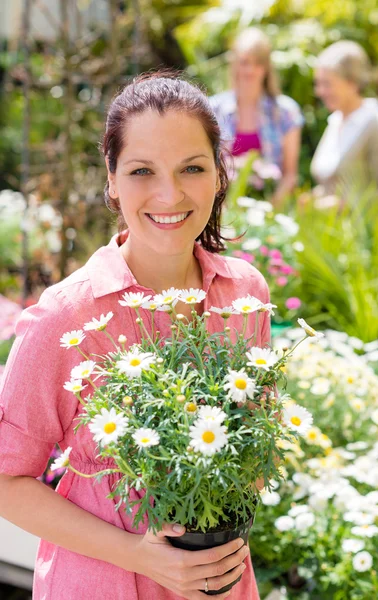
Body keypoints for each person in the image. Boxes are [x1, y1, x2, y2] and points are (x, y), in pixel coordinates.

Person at [0, 73, 271, 600]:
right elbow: (6, 483)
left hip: (219, 584)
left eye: (191, 168)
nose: (169, 194)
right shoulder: (65, 318)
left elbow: (253, 447)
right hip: (103, 584)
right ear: (111, 178)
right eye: (142, 170)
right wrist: (140, 556)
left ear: (218, 175)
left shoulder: (244, 293)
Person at [210, 27, 304, 207]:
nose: (250, 70)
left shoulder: (285, 112)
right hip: (222, 210)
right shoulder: (213, 109)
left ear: (267, 67)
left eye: (258, 63)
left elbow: (290, 175)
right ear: (235, 64)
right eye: (244, 62)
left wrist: (268, 210)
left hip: (270, 210)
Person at [311, 40, 378, 210]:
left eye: (327, 84)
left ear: (352, 83)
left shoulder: (376, 124)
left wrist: (347, 206)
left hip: (365, 233)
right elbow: (333, 183)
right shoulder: (335, 120)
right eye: (318, 83)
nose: (319, 91)